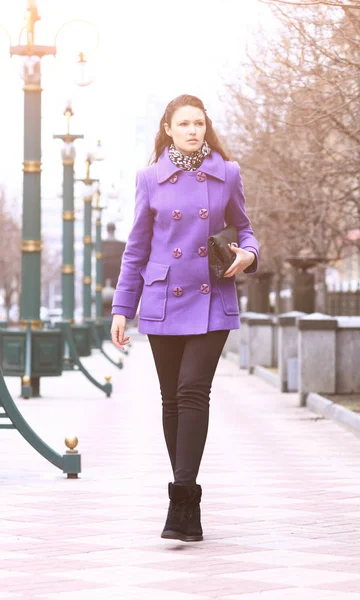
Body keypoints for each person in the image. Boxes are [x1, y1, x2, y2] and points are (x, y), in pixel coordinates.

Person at [111, 94, 259, 543]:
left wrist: (249, 253)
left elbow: (245, 227)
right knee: (171, 399)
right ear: (169, 128)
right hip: (162, 298)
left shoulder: (227, 173)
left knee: (193, 390)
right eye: (185, 124)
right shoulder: (149, 179)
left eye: (199, 123)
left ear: (205, 128)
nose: (194, 130)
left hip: (211, 296)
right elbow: (136, 248)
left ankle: (183, 498)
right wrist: (122, 307)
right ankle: (185, 498)